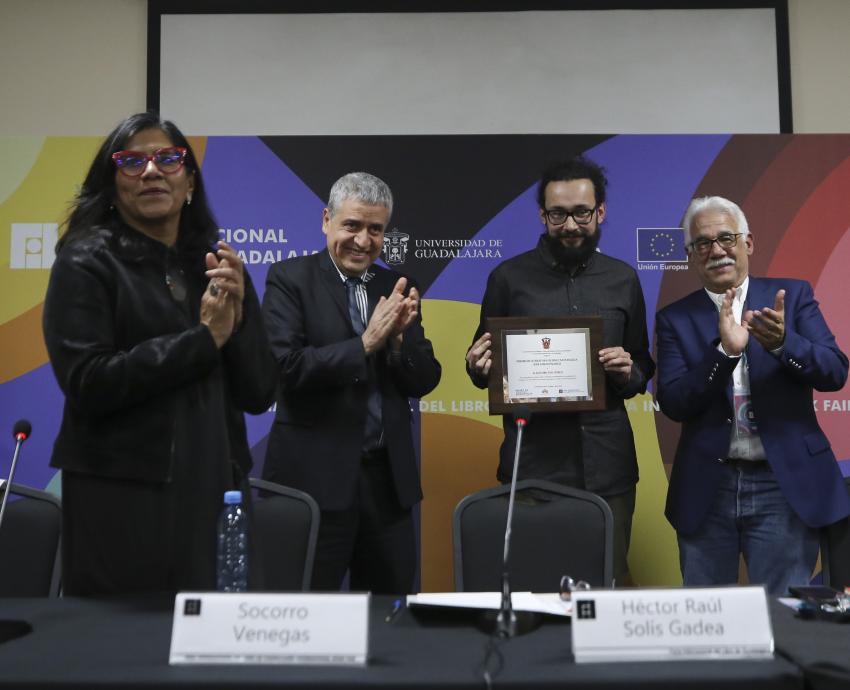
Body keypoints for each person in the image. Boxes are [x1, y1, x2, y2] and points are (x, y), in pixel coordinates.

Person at [42, 112, 276, 596]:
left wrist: (240, 321)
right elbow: (88, 381)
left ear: (189, 181)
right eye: (132, 161)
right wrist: (202, 339)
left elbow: (259, 391)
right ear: (112, 184)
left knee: (212, 648)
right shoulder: (85, 261)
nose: (152, 171)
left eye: (168, 159)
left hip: (216, 489)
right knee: (127, 651)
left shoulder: (217, 266)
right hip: (123, 497)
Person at [466, 156, 654, 585]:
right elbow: (485, 366)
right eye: (558, 214)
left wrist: (629, 372)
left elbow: (643, 364)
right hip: (533, 464)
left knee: (607, 578)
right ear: (543, 215)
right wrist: (477, 365)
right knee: (534, 581)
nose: (570, 224)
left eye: (581, 213)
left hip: (608, 465)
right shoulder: (508, 278)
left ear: (600, 212)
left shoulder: (623, 279)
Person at [656, 196, 850, 595]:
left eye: (726, 238)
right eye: (702, 244)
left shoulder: (792, 298)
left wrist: (783, 343)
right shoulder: (675, 318)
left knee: (783, 616)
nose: (716, 250)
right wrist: (724, 353)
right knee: (709, 619)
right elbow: (674, 402)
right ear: (691, 256)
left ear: (748, 243)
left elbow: (834, 372)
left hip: (783, 482)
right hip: (710, 486)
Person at [261, 172, 441, 594]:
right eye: (352, 225)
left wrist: (396, 344)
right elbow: (284, 368)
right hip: (313, 483)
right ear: (327, 220)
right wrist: (365, 343)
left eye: (375, 229)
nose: (363, 240)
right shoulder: (290, 279)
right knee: (305, 610)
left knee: (390, 614)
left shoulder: (397, 286)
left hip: (387, 487)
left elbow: (425, 380)